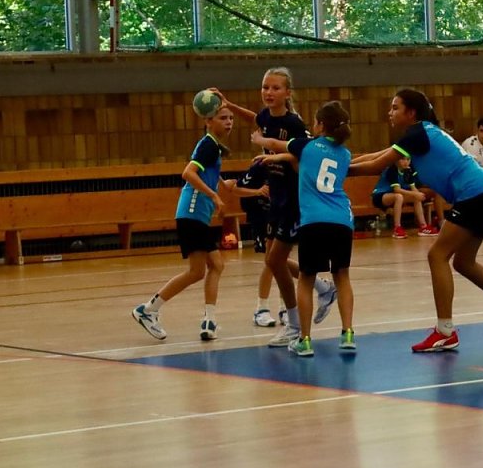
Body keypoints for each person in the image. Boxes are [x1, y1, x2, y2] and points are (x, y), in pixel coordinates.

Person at [352, 88, 483, 352]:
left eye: (395, 107)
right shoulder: (421, 133)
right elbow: (378, 155)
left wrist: (336, 169)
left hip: (474, 195)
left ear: (411, 112)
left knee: (437, 256)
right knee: (463, 262)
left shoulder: (417, 134)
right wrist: (342, 160)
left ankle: (445, 331)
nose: (390, 113)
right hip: (482, 193)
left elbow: (376, 165)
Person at [219, 68, 337, 342]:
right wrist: (229, 105)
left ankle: (294, 324)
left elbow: (304, 151)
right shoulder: (266, 117)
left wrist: (269, 148)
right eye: (265, 87)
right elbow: (255, 119)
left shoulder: (294, 123)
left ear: (287, 93)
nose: (268, 92)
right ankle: (323, 288)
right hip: (276, 198)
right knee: (273, 261)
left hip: (294, 199)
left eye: (275, 88)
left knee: (274, 260)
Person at [252, 101, 360, 357]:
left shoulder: (306, 146)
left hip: (313, 220)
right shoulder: (345, 154)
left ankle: (305, 339)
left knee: (306, 279)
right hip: (342, 220)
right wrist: (277, 157)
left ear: (320, 125)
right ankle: (347, 334)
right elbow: (298, 160)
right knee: (342, 276)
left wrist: (260, 140)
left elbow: (279, 144)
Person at [131, 103, 240, 341]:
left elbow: (207, 173)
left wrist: (223, 184)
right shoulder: (208, 145)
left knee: (216, 265)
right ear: (208, 121)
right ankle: (148, 310)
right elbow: (188, 173)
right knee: (196, 271)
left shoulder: (212, 147)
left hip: (197, 215)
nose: (229, 122)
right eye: (223, 118)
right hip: (192, 213)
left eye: (231, 118)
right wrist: (214, 196)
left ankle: (209, 321)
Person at [371, 157, 438, 238]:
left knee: (415, 197)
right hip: (380, 196)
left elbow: (413, 188)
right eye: (402, 159)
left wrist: (419, 195)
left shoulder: (408, 170)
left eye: (408, 159)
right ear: (396, 160)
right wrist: (414, 194)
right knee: (399, 197)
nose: (406, 162)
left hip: (394, 195)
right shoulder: (392, 169)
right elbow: (397, 189)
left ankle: (423, 227)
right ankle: (397, 228)